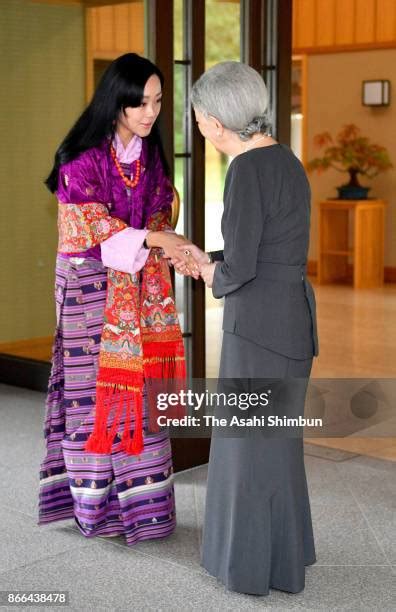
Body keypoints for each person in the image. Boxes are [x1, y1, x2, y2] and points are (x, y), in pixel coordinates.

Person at [174, 61, 319, 595]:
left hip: (257, 327)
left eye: (197, 118)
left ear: (213, 120)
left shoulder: (244, 170)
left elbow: (239, 269)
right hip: (291, 320)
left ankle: (252, 568)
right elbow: (266, 250)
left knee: (246, 448)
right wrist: (209, 259)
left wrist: (203, 266)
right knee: (275, 444)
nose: (198, 126)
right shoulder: (286, 160)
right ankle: (283, 561)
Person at [39, 53, 192, 545]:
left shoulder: (150, 160)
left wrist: (167, 239)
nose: (150, 113)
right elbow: (90, 228)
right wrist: (153, 239)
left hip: (134, 291)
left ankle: (147, 512)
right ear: (116, 102)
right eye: (139, 103)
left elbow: (160, 215)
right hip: (86, 290)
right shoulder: (79, 161)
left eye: (158, 102)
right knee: (94, 400)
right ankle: (94, 510)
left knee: (140, 396)